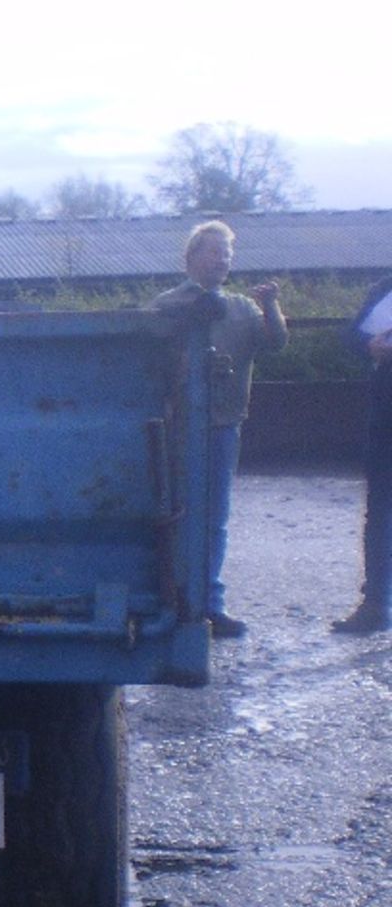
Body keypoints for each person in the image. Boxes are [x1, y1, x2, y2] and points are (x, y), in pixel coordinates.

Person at [149, 220, 288, 638]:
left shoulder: (242, 308)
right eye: (214, 251)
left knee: (215, 518)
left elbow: (276, 343)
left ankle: (210, 602)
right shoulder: (166, 305)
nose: (222, 259)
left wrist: (272, 307)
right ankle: (171, 598)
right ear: (192, 256)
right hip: (177, 426)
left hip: (223, 423)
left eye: (227, 253)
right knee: (175, 513)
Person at [332, 276, 392, 634]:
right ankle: (375, 605)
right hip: (385, 419)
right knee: (380, 513)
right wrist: (370, 346)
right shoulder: (384, 289)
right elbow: (349, 336)